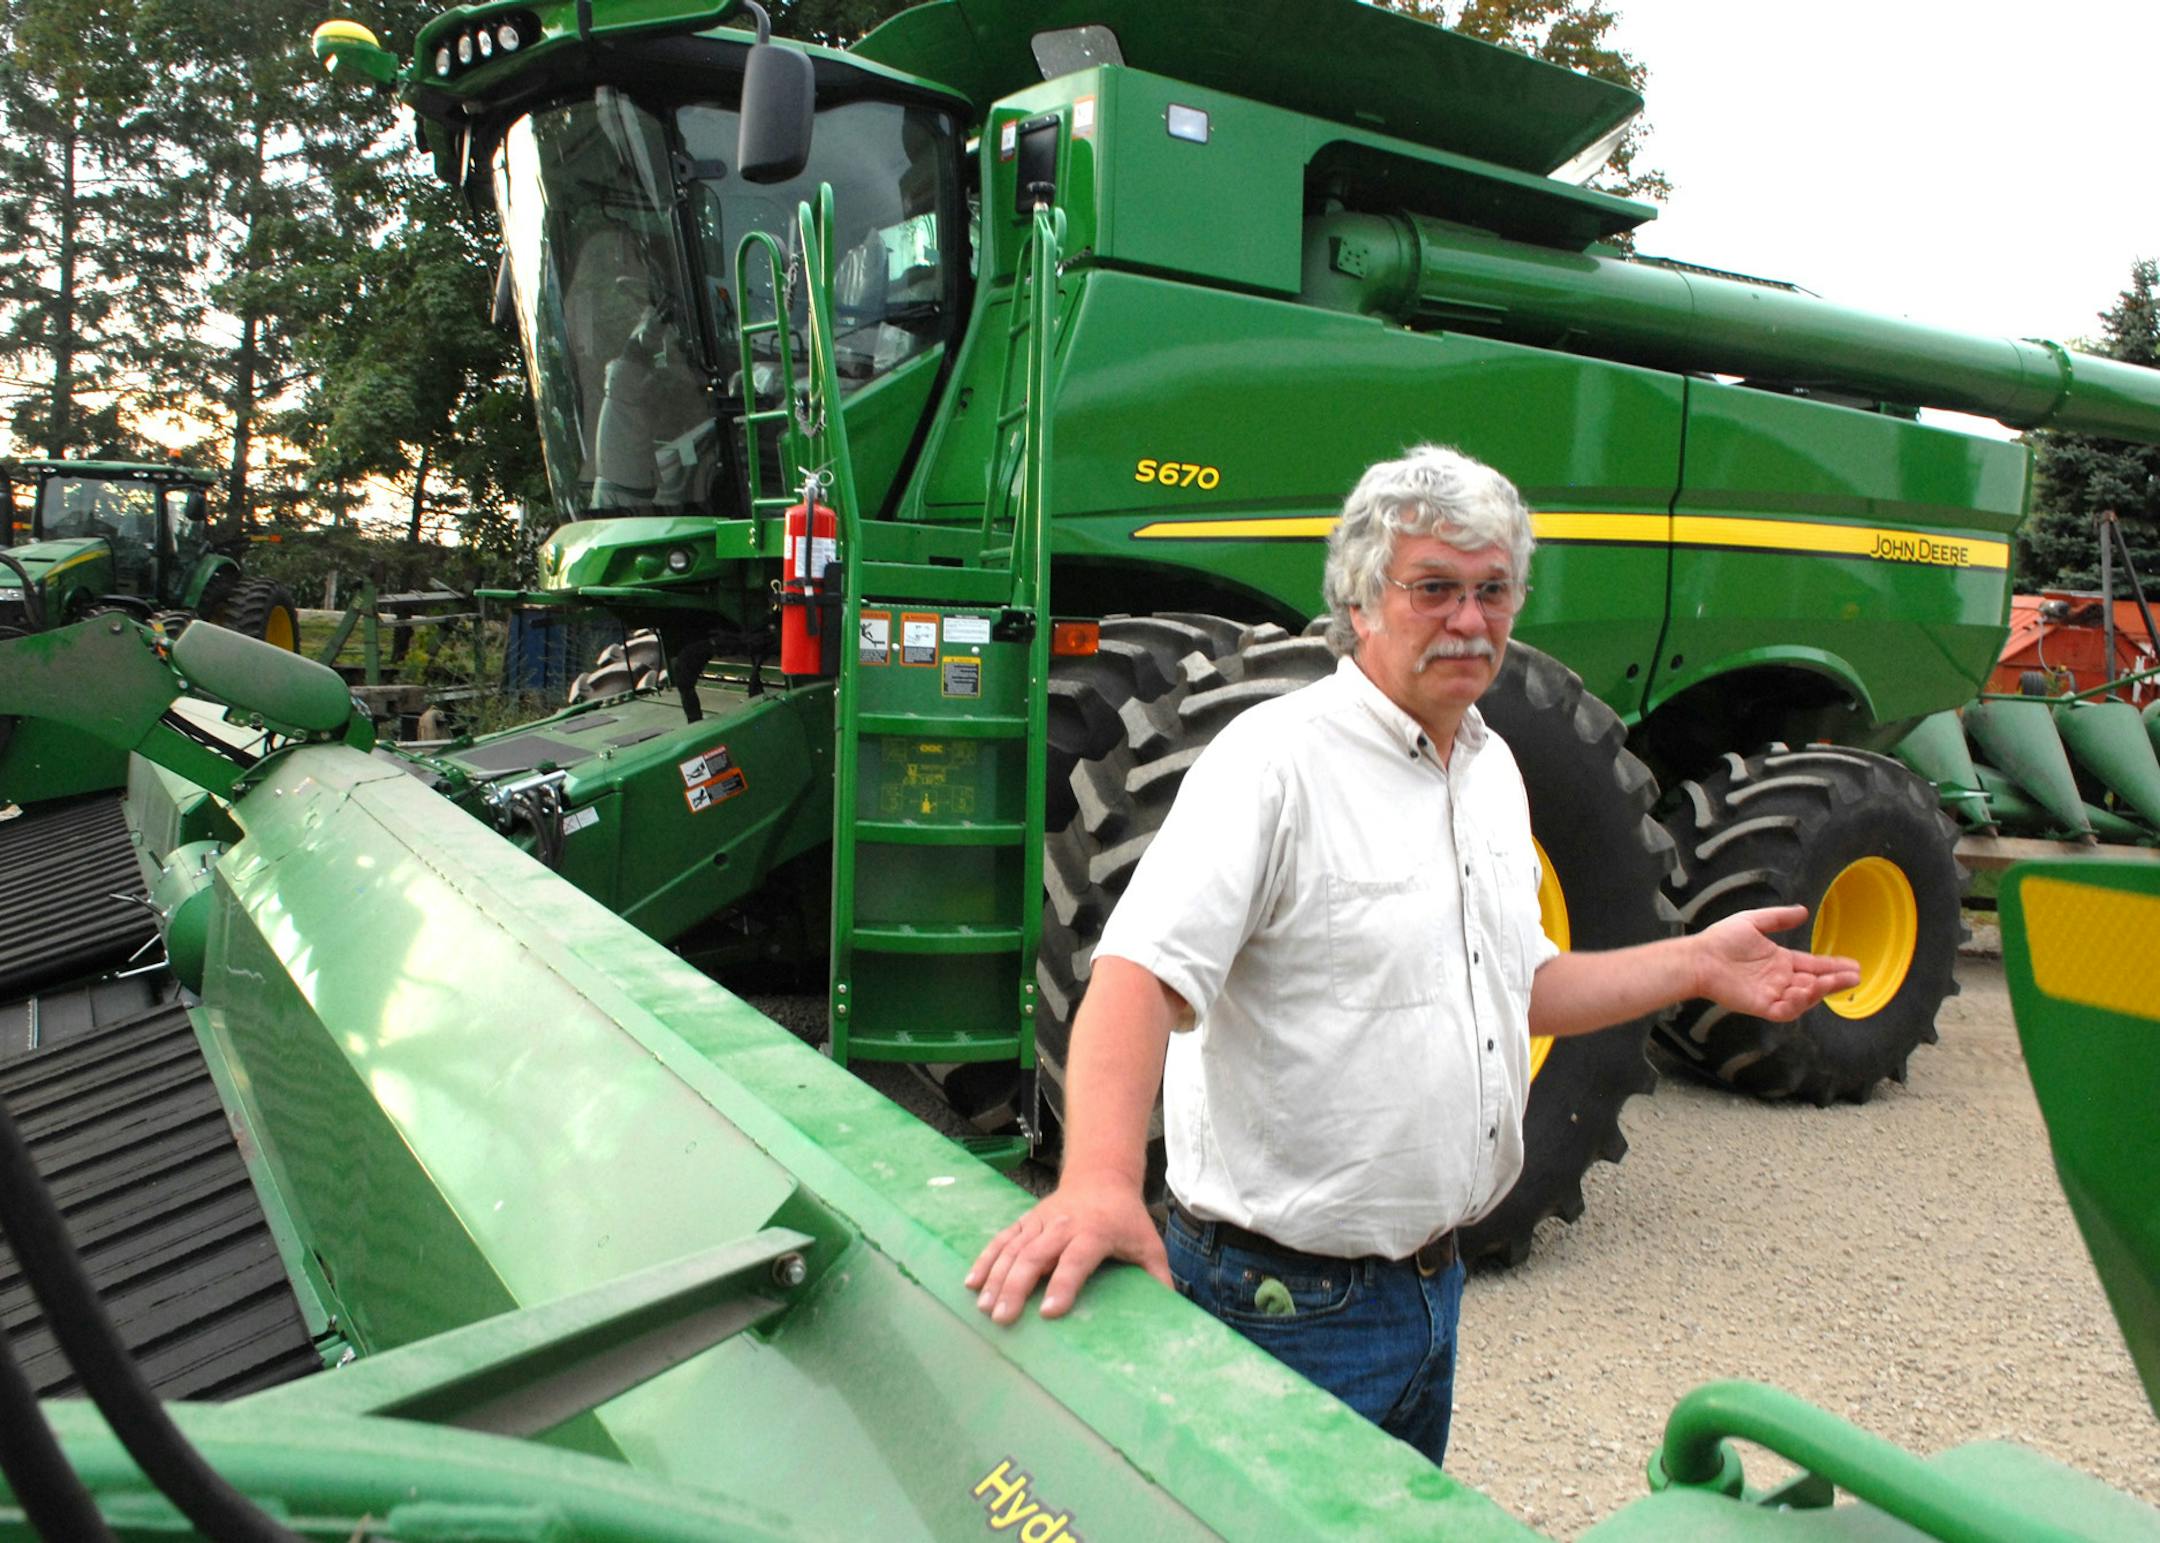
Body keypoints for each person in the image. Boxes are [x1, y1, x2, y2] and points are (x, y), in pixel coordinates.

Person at [965, 444, 1862, 1466]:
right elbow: (1133, 978)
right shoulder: (1277, 761)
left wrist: (1696, 962)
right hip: (1279, 1305)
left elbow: (1522, 990)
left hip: (1432, 1291)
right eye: (1433, 588)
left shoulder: (1489, 772)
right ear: (1358, 601)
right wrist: (1097, 1183)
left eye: (1493, 590)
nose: (1470, 620)